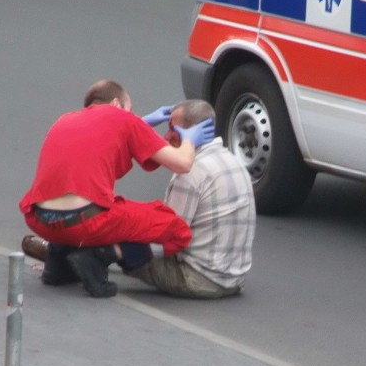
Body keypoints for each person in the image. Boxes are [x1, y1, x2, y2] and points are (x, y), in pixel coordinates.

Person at [19, 79, 215, 298]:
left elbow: (113, 145)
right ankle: (98, 258)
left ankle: (58, 260)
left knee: (93, 204)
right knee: (170, 223)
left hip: (40, 220)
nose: (133, 116)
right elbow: (183, 163)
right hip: (85, 223)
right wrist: (189, 140)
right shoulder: (123, 119)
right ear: (116, 103)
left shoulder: (65, 119)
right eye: (130, 110)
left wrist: (142, 124)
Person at [124, 99, 255, 298]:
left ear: (192, 133)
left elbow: (168, 232)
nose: (166, 136)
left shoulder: (190, 172)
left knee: (125, 244)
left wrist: (125, 235)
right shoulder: (234, 161)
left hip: (200, 279)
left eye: (172, 129)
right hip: (234, 279)